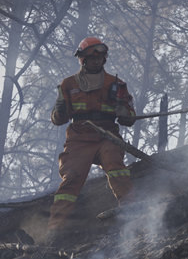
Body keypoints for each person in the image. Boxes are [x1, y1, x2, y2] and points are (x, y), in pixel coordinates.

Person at [45, 36, 136, 239]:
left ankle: (132, 215)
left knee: (116, 167)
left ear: (104, 59)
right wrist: (60, 108)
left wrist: (123, 110)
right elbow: (58, 120)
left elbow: (129, 119)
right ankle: (55, 230)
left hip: (107, 136)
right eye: (92, 57)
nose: (96, 61)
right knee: (72, 179)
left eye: (100, 57)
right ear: (83, 59)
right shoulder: (68, 84)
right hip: (79, 137)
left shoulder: (117, 84)